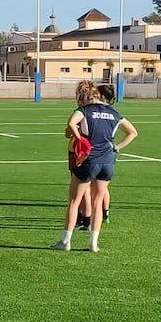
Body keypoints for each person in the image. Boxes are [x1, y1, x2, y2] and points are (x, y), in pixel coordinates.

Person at [52, 84, 139, 252]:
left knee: (74, 201)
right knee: (97, 203)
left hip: (89, 160)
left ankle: (65, 241)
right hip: (107, 161)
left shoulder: (85, 110)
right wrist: (117, 147)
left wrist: (80, 139)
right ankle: (93, 243)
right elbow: (133, 132)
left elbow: (71, 123)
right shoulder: (114, 113)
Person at [66, 81, 95, 231]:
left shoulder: (83, 111)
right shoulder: (90, 111)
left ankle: (84, 219)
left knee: (81, 189)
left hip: (79, 151)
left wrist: (79, 138)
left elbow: (68, 131)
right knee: (85, 188)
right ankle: (86, 219)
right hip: (83, 150)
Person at [96, 83, 116, 222]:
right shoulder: (113, 113)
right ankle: (105, 213)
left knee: (97, 188)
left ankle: (91, 218)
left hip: (98, 153)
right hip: (108, 153)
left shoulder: (97, 111)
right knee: (103, 187)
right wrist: (117, 147)